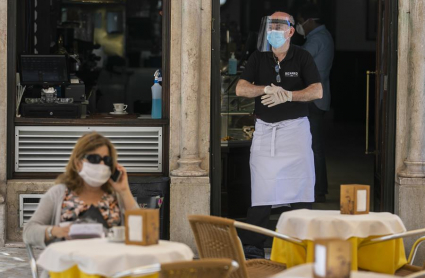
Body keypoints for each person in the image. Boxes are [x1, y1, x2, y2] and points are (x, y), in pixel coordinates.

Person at [235, 11, 323, 259]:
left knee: (301, 186)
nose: (273, 30)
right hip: (265, 131)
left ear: (291, 31)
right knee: (262, 187)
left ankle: (302, 241)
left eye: (278, 25)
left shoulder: (302, 56)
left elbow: (317, 91)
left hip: (295, 131)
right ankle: (253, 244)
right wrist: (265, 88)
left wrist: (289, 94)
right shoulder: (258, 57)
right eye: (270, 25)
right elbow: (241, 88)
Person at [23, 132, 138, 248]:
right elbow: (29, 231)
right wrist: (55, 231)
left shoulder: (116, 195)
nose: (102, 164)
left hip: (109, 263)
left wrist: (124, 191)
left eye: (107, 160)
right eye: (94, 158)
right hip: (69, 263)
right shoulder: (58, 193)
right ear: (78, 163)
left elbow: (142, 229)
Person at [296, 3, 334, 203]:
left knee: (314, 146)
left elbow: (300, 60)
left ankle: (318, 190)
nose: (300, 25)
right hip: (318, 97)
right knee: (313, 145)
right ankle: (316, 188)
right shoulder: (321, 37)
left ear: (310, 21)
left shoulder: (317, 39)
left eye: (301, 21)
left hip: (313, 98)